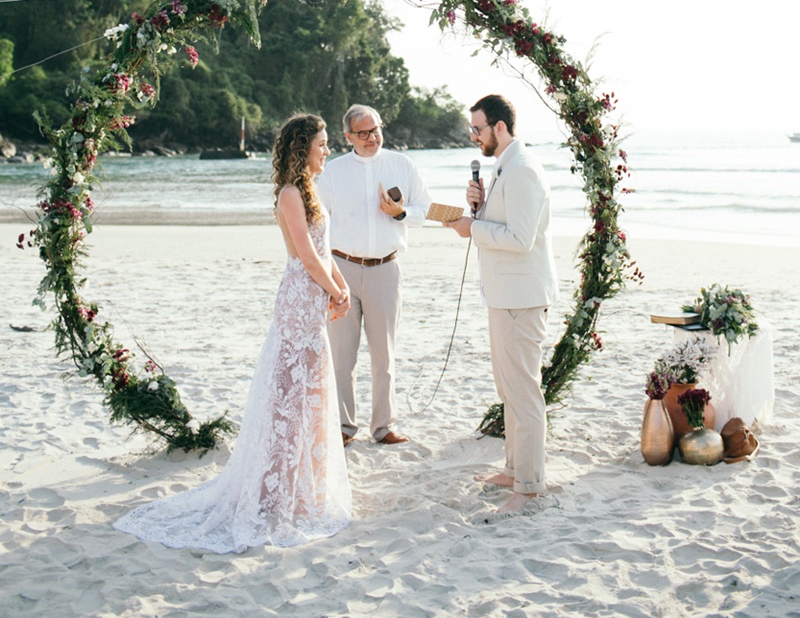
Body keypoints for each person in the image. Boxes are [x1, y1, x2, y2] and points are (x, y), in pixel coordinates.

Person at [113, 113, 352, 551]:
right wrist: (335, 290)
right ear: (302, 148)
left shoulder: (313, 191)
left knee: (312, 397)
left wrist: (343, 285)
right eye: (322, 143)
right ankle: (273, 494)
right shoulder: (289, 195)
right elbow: (306, 257)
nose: (327, 149)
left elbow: (325, 249)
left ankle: (304, 489)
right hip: (300, 300)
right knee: (288, 399)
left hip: (315, 299)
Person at [449, 94, 559, 516]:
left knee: (523, 391)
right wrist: (477, 208)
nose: (473, 136)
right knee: (508, 389)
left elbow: (520, 238)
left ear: (500, 127)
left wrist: (472, 229)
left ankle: (529, 487)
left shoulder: (524, 169)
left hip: (522, 298)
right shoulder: (504, 166)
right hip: (504, 295)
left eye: (477, 128)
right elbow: (502, 222)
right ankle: (515, 469)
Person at [316, 104, 431, 446]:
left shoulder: (402, 164)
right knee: (342, 356)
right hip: (343, 268)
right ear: (348, 136)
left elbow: (424, 209)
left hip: (386, 268)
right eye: (363, 133)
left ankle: (384, 427)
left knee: (384, 355)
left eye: (376, 129)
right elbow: (320, 224)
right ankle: (343, 427)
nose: (372, 138)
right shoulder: (334, 172)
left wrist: (401, 213)